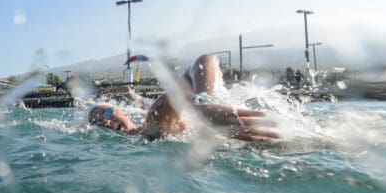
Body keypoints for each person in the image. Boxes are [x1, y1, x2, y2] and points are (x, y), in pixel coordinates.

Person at [88, 53, 278, 142]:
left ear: (123, 112)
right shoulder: (147, 131)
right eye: (98, 122)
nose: (105, 122)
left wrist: (204, 102)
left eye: (108, 112)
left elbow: (205, 60)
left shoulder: (154, 117)